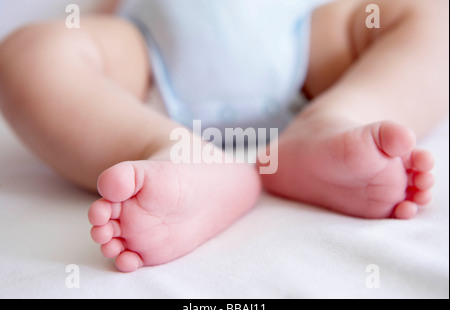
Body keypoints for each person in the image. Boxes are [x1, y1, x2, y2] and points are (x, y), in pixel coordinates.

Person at [0, 0, 447, 272]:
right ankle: (173, 151)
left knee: (434, 16)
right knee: (28, 52)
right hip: (150, 50)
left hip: (305, 41)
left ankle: (337, 119)